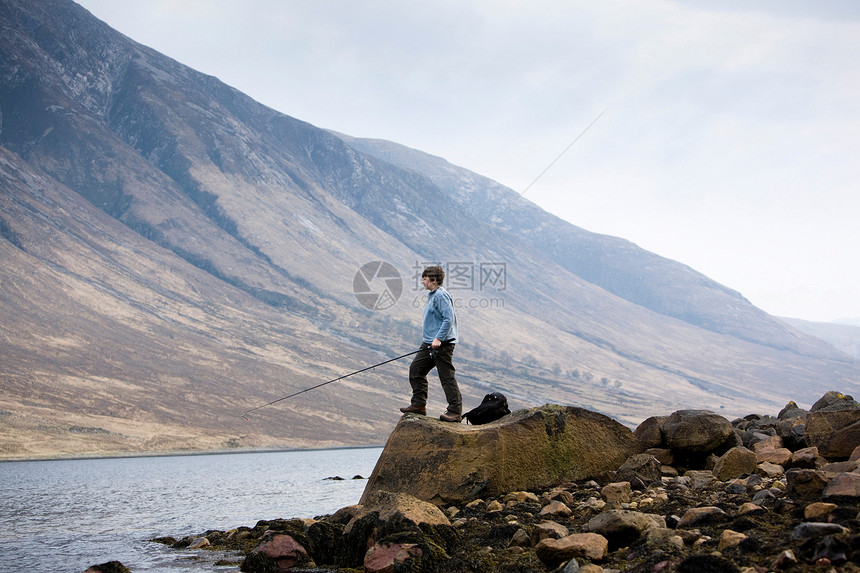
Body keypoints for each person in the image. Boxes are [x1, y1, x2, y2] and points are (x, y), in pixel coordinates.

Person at [400, 265, 462, 422]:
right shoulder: (433, 295)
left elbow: (449, 319)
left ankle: (455, 411)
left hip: (442, 344)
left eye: (425, 279)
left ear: (433, 280)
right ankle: (419, 405)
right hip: (428, 343)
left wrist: (439, 339)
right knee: (416, 370)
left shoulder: (441, 296)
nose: (422, 282)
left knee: (446, 376)